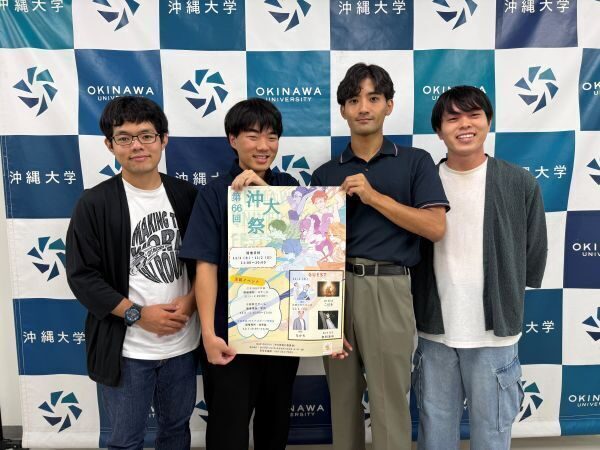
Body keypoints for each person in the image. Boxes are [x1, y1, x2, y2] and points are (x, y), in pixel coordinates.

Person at [311, 63, 449, 450]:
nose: (363, 108)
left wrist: (373, 197)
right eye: (354, 100)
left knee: (390, 402)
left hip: (388, 285)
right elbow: (312, 254)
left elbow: (435, 227)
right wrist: (324, 315)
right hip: (332, 290)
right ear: (343, 109)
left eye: (373, 98)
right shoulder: (325, 173)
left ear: (389, 105)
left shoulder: (415, 161)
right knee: (342, 401)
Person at [411, 86, 548, 450]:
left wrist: (509, 291)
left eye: (474, 115)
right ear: (438, 130)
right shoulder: (422, 182)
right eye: (453, 118)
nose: (465, 125)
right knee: (435, 432)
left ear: (488, 121)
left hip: (494, 335)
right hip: (435, 331)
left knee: (493, 432)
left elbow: (534, 249)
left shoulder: (518, 181)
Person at [66, 96, 199, 450]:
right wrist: (138, 314)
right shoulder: (94, 203)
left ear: (163, 139)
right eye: (124, 138)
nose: (137, 145)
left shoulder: (187, 195)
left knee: (176, 433)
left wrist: (191, 301)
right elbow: (82, 276)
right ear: (110, 145)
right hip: (127, 351)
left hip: (182, 346)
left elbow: (206, 262)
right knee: (125, 441)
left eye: (146, 135)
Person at [179, 98, 300, 450]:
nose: (264, 146)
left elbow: (308, 248)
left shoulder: (289, 186)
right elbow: (205, 266)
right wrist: (208, 334)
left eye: (272, 137)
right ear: (232, 140)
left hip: (281, 334)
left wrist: (266, 194)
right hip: (230, 337)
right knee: (227, 431)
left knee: (274, 429)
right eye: (253, 136)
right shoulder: (215, 193)